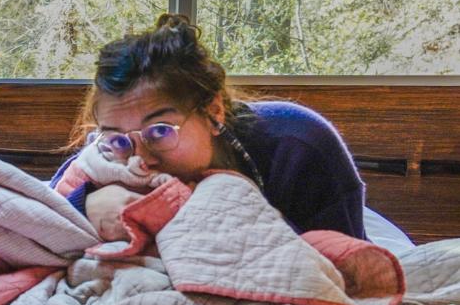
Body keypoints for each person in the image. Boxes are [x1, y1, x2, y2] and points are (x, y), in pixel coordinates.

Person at [51, 13, 367, 242]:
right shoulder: (105, 158)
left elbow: (352, 271)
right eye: (120, 140)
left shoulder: (297, 147)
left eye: (160, 131)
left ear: (213, 111)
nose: (141, 160)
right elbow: (36, 222)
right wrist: (85, 208)